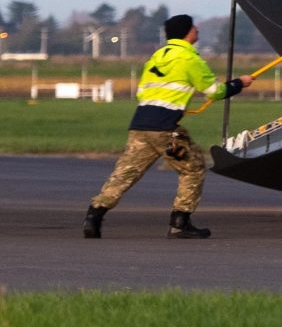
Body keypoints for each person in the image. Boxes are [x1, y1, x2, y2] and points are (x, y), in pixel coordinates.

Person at [84, 14, 244, 239]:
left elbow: (142, 92)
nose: (197, 30)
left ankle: (94, 215)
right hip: (166, 130)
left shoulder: (157, 56)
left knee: (125, 174)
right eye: (194, 27)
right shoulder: (189, 58)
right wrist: (239, 84)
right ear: (187, 32)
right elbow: (215, 91)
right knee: (193, 168)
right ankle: (180, 222)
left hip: (140, 125)